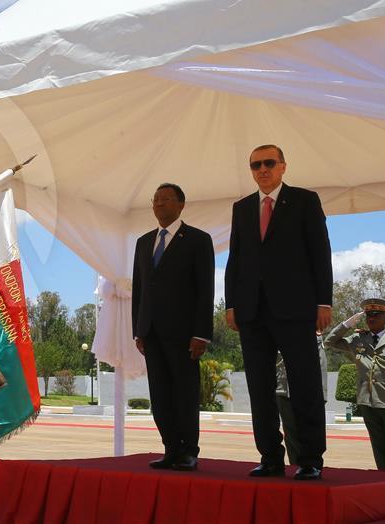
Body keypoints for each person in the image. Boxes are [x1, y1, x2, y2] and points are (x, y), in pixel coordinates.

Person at [224, 144, 333, 480]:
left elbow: (319, 252)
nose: (262, 169)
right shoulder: (242, 208)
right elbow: (236, 259)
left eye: (269, 163)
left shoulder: (304, 200)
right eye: (255, 165)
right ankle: (270, 456)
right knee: (259, 387)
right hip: (253, 312)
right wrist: (231, 303)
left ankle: (310, 458)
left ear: (283, 166)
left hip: (296, 309)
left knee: (305, 384)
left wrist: (323, 302)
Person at [132, 183, 214, 471]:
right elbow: (139, 290)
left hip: (184, 333)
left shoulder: (197, 240)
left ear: (181, 205)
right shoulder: (143, 242)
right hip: (151, 331)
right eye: (156, 200)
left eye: (167, 199)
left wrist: (201, 332)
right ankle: (170, 449)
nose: (160, 204)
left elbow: (205, 290)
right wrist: (137, 330)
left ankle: (188, 451)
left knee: (185, 393)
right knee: (161, 394)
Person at [324, 298, 385, 471]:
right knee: (379, 448)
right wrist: (345, 324)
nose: (371, 318)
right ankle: (382, 484)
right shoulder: (358, 339)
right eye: (368, 315)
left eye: (376, 315)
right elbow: (329, 342)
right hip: (367, 402)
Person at [275, 333, 328, 466]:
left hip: (307, 393)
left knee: (309, 433)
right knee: (291, 435)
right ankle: (295, 466)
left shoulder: (314, 339)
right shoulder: (278, 338)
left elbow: (321, 367)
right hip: (284, 391)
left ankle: (310, 466)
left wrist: (322, 394)